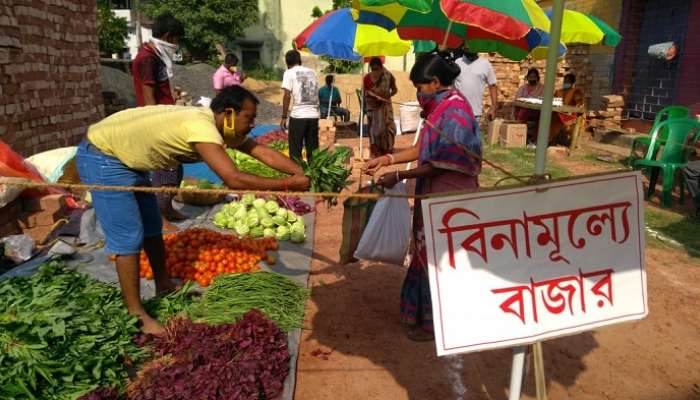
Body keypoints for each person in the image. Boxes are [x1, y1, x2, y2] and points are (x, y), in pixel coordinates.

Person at [76, 86, 310, 335]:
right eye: (249, 118)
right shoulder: (202, 127)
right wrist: (287, 184)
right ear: (228, 113)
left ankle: (163, 283)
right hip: (104, 155)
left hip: (125, 156)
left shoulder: (216, 125)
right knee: (127, 236)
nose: (253, 124)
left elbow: (261, 151)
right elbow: (233, 178)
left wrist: (301, 173)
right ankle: (137, 314)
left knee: (152, 225)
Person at [362, 53, 482, 341]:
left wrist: (399, 176)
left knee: (438, 257)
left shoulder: (456, 114)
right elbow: (424, 150)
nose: (416, 93)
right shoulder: (439, 109)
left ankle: (435, 323)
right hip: (431, 192)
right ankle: (418, 314)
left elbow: (440, 162)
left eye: (419, 86)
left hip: (450, 196)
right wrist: (388, 159)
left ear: (436, 82)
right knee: (423, 251)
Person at [132, 13, 187, 223]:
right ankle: (160, 216)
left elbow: (161, 88)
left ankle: (168, 207)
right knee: (166, 169)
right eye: (176, 39)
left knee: (175, 167)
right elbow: (148, 97)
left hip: (165, 118)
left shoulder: (157, 56)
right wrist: (156, 129)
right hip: (157, 122)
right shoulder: (147, 58)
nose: (177, 44)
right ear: (168, 36)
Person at [281, 50, 320, 163]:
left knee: (295, 151)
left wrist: (284, 117)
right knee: (312, 150)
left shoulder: (289, 72)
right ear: (300, 61)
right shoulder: (312, 72)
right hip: (313, 115)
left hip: (298, 116)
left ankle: (297, 177)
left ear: (287, 62)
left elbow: (287, 96)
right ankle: (313, 176)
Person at [364, 57, 398, 157]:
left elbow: (394, 89)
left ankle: (388, 148)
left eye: (377, 69)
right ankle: (376, 149)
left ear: (381, 67)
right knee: (374, 129)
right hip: (372, 107)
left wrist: (388, 96)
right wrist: (377, 97)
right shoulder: (367, 78)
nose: (375, 72)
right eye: (373, 69)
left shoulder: (388, 76)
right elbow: (367, 92)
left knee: (388, 127)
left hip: (386, 106)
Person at [455, 47, 498, 122]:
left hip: (475, 114)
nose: (469, 48)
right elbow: (449, 86)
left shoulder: (485, 64)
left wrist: (493, 107)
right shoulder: (457, 63)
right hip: (457, 111)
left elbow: (492, 85)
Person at [550, 73, 586, 145]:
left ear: (572, 83)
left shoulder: (576, 91)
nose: (566, 83)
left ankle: (548, 140)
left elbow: (579, 103)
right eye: (565, 81)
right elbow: (553, 101)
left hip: (569, 115)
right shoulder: (558, 91)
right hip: (557, 113)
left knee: (554, 119)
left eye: (568, 81)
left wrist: (578, 104)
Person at [515, 68, 545, 143]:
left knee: (542, 117)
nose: (532, 78)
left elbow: (543, 99)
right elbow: (517, 99)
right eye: (530, 77)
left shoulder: (542, 88)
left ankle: (535, 139)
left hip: (537, 110)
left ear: (537, 78)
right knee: (521, 113)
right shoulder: (522, 88)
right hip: (524, 109)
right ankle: (519, 136)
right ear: (527, 78)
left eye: (534, 76)